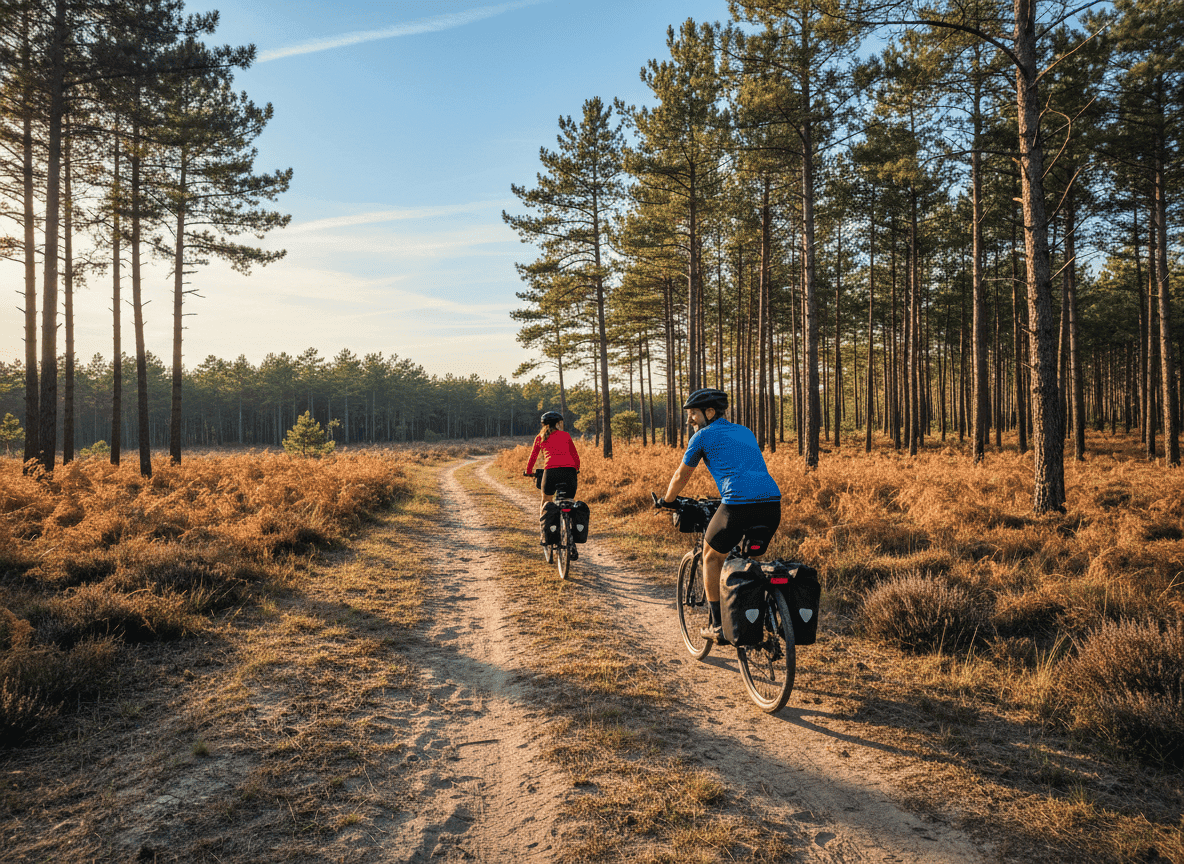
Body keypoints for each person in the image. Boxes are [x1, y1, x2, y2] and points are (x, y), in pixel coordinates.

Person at [658, 388, 781, 644]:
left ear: (710, 412)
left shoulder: (702, 436)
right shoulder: (744, 431)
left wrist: (667, 501)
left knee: (711, 556)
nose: (689, 419)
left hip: (738, 505)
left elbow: (681, 476)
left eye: (692, 414)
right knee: (750, 565)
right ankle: (757, 618)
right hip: (771, 505)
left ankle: (717, 625)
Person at [524, 411, 581, 554]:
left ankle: (545, 532)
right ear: (557, 424)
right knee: (569, 502)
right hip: (569, 473)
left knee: (546, 500)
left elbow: (532, 457)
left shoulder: (540, 437)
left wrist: (529, 471)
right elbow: (575, 456)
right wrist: (576, 469)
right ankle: (571, 536)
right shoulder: (566, 435)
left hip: (551, 472)